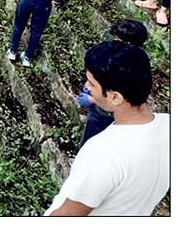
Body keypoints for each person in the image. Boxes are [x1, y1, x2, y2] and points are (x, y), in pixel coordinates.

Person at [45, 41, 169, 216]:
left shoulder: (103, 153)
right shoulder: (168, 126)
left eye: (91, 83)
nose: (86, 87)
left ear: (115, 97)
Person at [76, 19, 148, 148]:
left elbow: (124, 97)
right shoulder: (121, 57)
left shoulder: (131, 67)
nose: (114, 43)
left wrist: (92, 99)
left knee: (93, 137)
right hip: (104, 105)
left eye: (118, 40)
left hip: (106, 111)